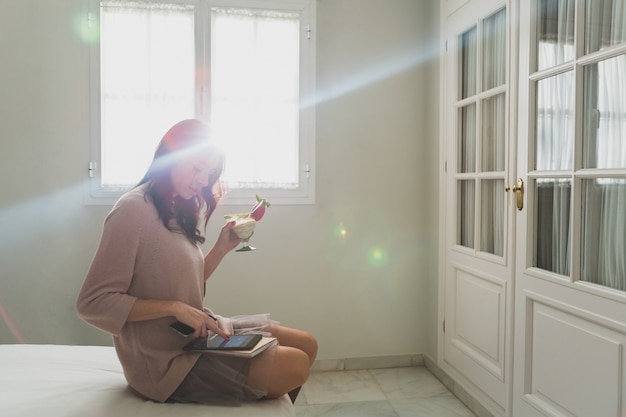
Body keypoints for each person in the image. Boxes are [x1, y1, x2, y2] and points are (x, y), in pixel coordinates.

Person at [76, 119, 317, 405]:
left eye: (210, 173)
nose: (204, 181)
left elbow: (182, 282)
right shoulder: (133, 210)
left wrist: (221, 248)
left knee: (306, 344)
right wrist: (174, 308)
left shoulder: (175, 207)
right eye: (197, 168)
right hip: (165, 362)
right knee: (296, 365)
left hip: (197, 336)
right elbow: (92, 303)